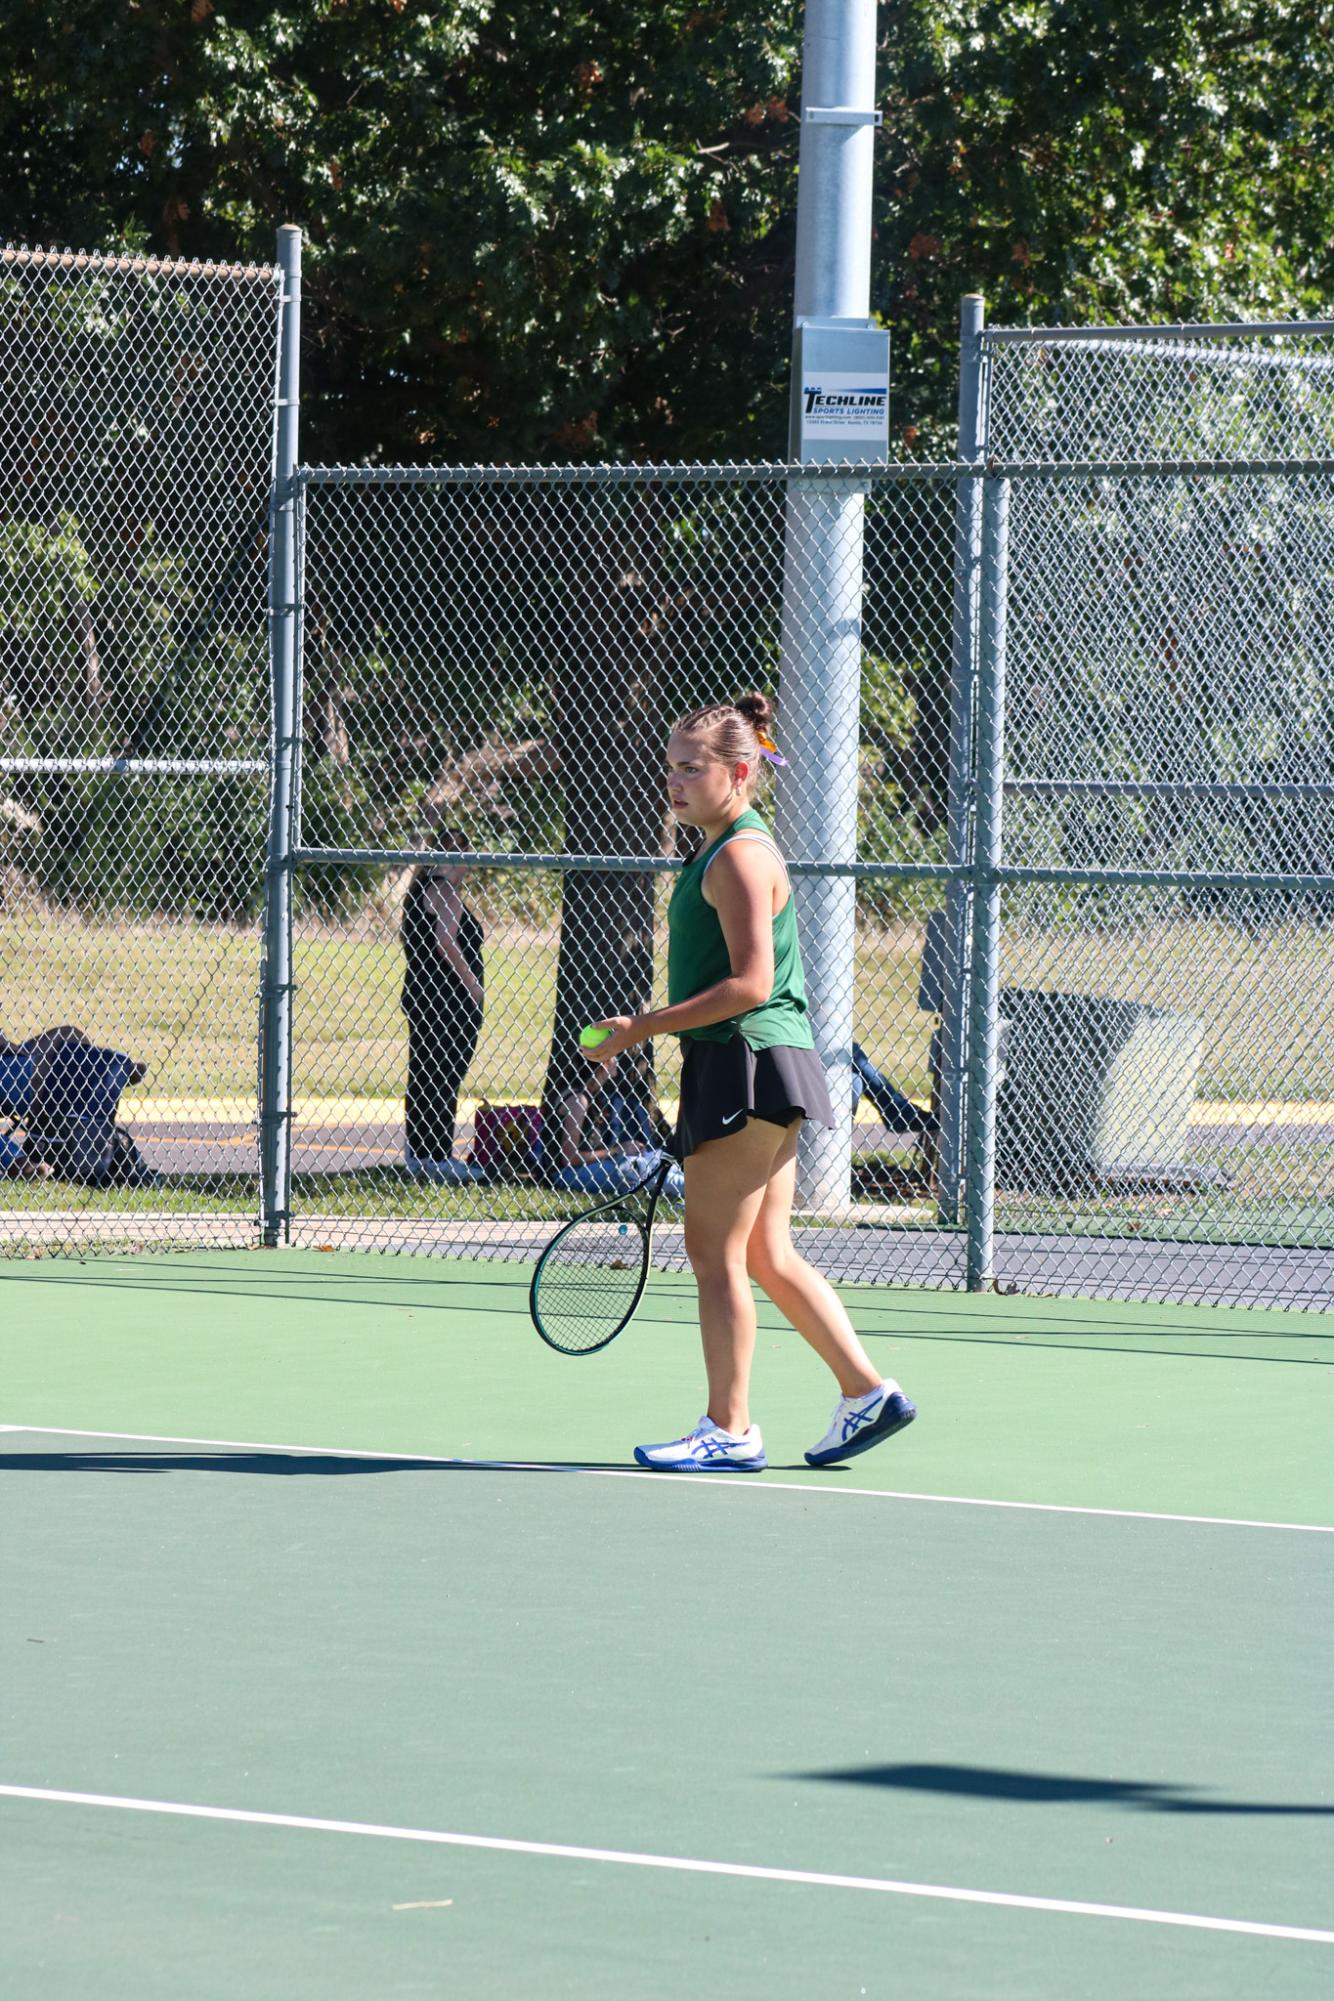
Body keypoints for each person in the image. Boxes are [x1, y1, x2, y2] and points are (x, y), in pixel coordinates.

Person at [582, 692, 917, 1471]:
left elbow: (751, 983)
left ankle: (728, 1428)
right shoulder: (729, 847)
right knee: (767, 1252)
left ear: (738, 772)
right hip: (773, 1063)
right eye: (670, 767)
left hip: (745, 1058)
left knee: (714, 1254)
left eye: (692, 768)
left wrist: (642, 1027)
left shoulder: (736, 855)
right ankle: (867, 1392)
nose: (676, 780)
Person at [400, 833, 485, 1184]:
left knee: (423, 1073)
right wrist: (473, 986)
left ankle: (420, 1154)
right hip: (449, 1001)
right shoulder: (445, 891)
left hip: (422, 997)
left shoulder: (419, 892)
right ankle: (436, 1155)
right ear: (455, 856)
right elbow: (445, 941)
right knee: (444, 1075)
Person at [538, 1054, 684, 1199]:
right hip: (564, 1174)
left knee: (652, 1159)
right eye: (613, 1056)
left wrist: (623, 1149)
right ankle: (691, 1188)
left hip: (581, 1168)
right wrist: (617, 1150)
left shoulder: (589, 1095)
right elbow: (569, 1158)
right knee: (630, 1168)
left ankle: (690, 1183)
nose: (617, 1061)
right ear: (604, 1063)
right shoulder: (578, 1100)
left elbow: (592, 1147)